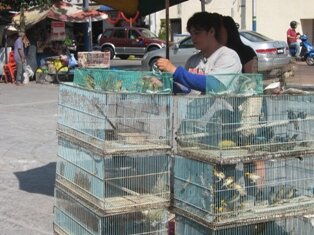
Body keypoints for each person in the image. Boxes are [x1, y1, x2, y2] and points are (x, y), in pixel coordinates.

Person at [156, 12, 242, 95]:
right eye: (191, 34)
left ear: (211, 31)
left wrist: (175, 71)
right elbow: (186, 90)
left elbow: (214, 85)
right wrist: (164, 85)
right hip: (195, 109)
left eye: (197, 33)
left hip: (222, 109)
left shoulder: (228, 56)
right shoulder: (193, 60)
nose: (193, 38)